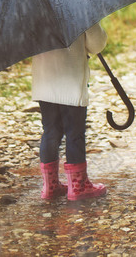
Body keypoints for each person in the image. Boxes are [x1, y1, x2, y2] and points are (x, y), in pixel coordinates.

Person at [32, 23, 108, 201]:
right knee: (74, 133)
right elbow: (97, 44)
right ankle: (78, 187)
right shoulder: (77, 10)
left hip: (45, 83)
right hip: (71, 82)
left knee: (50, 131)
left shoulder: (33, 12)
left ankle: (50, 186)